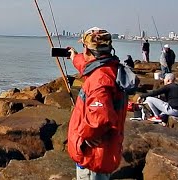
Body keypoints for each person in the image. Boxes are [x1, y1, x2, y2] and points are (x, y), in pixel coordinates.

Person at [67, 27, 127, 180]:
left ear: (86, 49)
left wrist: (84, 135)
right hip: (104, 151)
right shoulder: (109, 67)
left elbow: (100, 118)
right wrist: (75, 57)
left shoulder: (99, 80)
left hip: (93, 155)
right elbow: (87, 67)